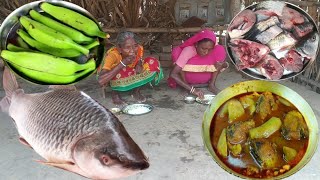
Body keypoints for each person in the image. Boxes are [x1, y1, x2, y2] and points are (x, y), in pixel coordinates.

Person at [98, 31, 163, 105]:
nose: (132, 50)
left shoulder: (139, 49)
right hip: (113, 75)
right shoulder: (113, 55)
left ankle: (136, 91)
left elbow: (139, 58)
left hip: (131, 71)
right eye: (127, 47)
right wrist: (123, 63)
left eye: (135, 46)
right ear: (119, 48)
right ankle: (115, 94)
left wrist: (139, 63)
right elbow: (101, 80)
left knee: (152, 62)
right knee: (119, 69)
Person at [168, 29, 228, 98]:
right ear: (196, 44)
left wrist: (223, 64)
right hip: (188, 82)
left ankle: (211, 85)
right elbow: (173, 74)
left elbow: (224, 65)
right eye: (203, 48)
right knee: (178, 57)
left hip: (206, 80)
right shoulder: (189, 50)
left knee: (219, 53)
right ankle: (186, 86)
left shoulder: (215, 51)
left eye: (209, 49)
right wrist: (192, 90)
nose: (206, 52)